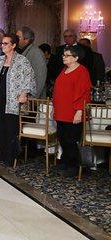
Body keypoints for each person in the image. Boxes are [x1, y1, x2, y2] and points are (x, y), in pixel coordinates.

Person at [0, 33, 35, 166]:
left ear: (13, 45)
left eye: (5, 43)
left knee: (10, 129)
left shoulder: (22, 61)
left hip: (13, 100)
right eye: (2, 43)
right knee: (1, 128)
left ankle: (11, 156)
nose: (2, 46)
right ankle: (3, 153)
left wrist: (24, 93)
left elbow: (29, 78)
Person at [52, 45, 92, 176]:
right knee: (62, 138)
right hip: (61, 111)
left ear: (76, 58)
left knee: (70, 140)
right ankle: (65, 163)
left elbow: (84, 93)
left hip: (73, 112)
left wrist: (79, 111)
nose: (64, 57)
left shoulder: (82, 71)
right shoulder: (64, 69)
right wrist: (55, 108)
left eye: (67, 55)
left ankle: (74, 167)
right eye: (63, 55)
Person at [16, 26, 47, 98]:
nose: (16, 39)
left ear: (26, 39)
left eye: (18, 37)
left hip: (32, 98)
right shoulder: (22, 51)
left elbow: (40, 77)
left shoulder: (36, 53)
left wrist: (33, 98)